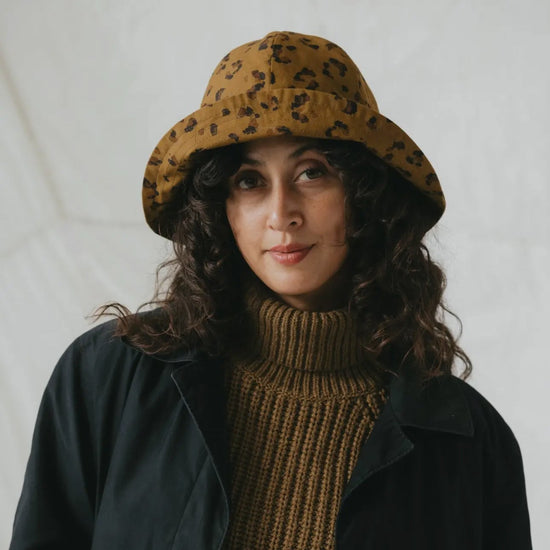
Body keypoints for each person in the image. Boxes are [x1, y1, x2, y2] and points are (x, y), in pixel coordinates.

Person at [10, 31, 531, 549]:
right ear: (220, 210)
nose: (282, 214)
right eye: (249, 181)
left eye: (312, 173)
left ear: (365, 194)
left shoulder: (469, 444)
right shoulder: (108, 379)